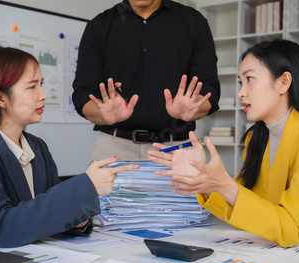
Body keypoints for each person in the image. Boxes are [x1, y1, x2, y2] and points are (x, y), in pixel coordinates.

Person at [148, 39, 299, 247]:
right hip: (285, 249)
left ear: (283, 82)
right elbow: (246, 208)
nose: (241, 92)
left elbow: (289, 227)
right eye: (240, 82)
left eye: (249, 79)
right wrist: (205, 178)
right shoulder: (256, 137)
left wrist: (225, 184)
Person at [0, 46, 139, 250]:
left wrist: (77, 216)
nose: (43, 95)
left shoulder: (37, 147)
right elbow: (0, 228)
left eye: (41, 85)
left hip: (32, 256)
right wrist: (85, 188)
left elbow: (46, 215)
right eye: (32, 86)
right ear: (0, 98)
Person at [72, 0, 220, 160]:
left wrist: (194, 107)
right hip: (114, 147)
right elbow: (83, 92)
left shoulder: (193, 22)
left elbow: (209, 88)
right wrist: (102, 113)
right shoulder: (99, 25)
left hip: (177, 149)